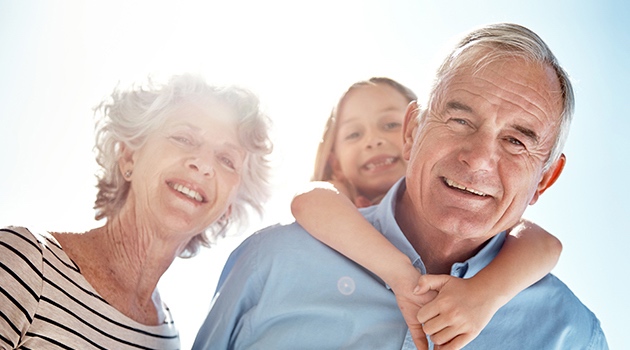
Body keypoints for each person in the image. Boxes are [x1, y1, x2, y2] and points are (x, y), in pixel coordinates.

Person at [193, 23, 608, 349]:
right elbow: (310, 197)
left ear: (546, 179)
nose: (478, 159)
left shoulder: (572, 335)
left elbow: (545, 244)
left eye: (516, 142)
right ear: (412, 132)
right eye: (461, 120)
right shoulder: (271, 263)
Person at [0, 73, 272, 349]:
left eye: (226, 159)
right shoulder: (25, 262)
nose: (203, 164)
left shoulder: (168, 339)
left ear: (229, 206)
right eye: (184, 138)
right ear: (129, 154)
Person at [290, 77, 563, 348]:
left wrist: (484, 294)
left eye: (389, 125)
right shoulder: (338, 202)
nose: (373, 141)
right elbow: (308, 199)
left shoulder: (473, 212)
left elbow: (545, 245)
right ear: (335, 163)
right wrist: (400, 273)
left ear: (414, 133)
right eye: (354, 134)